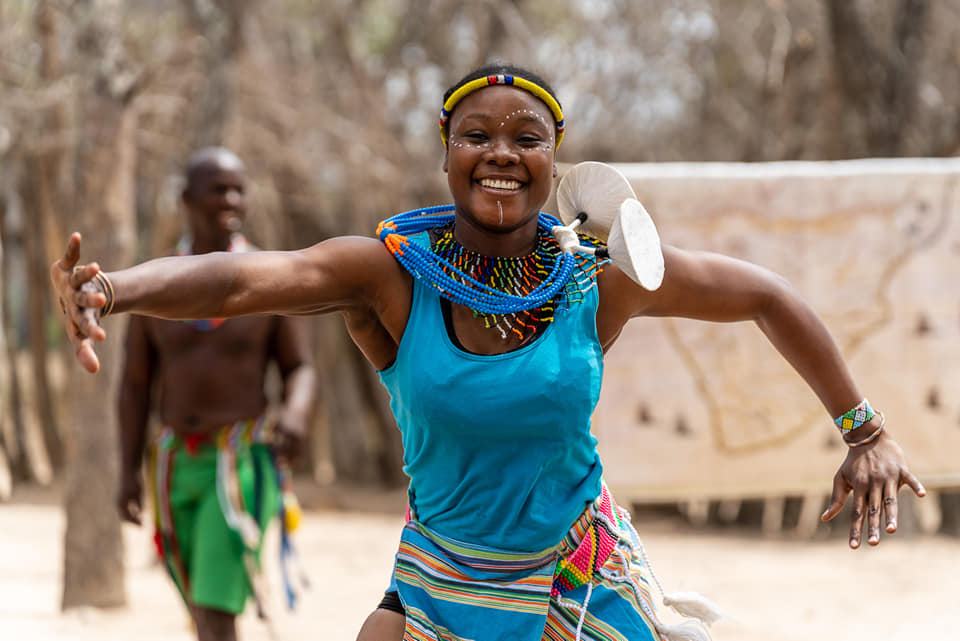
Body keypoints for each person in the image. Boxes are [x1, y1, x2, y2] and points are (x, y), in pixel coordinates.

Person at [53, 63, 924, 641]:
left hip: (576, 574)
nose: (500, 151)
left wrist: (862, 427)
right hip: (443, 572)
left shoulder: (599, 280)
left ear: (553, 163)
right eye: (476, 135)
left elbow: (766, 295)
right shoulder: (391, 278)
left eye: (525, 137)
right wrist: (114, 289)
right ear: (447, 158)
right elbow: (240, 281)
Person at [114, 147, 316, 641]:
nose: (231, 199)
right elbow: (136, 385)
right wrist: (126, 473)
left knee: (214, 610)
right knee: (197, 602)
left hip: (239, 463)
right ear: (186, 198)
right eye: (218, 189)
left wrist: (295, 413)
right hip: (172, 464)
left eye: (239, 189)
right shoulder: (156, 285)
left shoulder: (271, 278)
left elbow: (300, 367)